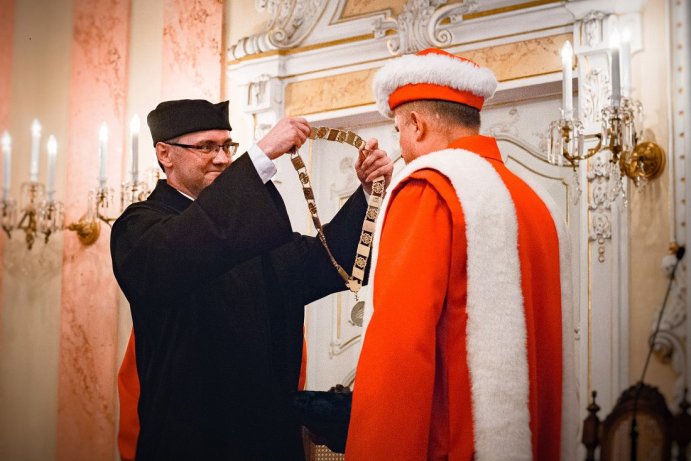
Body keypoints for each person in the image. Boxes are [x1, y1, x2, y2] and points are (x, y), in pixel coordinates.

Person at [110, 98, 393, 460]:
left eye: (227, 146)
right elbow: (185, 247)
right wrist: (258, 157)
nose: (222, 158)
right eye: (206, 147)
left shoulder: (248, 229)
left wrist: (369, 191)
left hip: (266, 436)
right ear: (165, 154)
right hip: (188, 437)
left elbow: (328, 263)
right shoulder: (140, 226)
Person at [345, 48, 577, 460]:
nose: (400, 145)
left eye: (398, 129)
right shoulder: (537, 200)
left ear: (416, 124)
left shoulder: (428, 189)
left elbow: (399, 353)